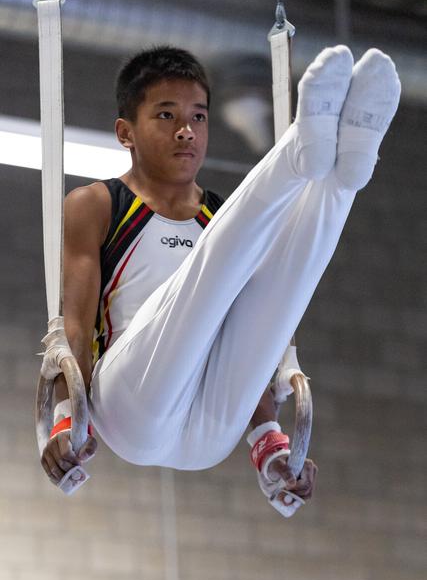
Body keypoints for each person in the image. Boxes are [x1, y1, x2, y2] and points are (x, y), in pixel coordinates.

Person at [40, 44, 400, 516]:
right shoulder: (97, 204)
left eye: (199, 117)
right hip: (134, 405)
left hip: (214, 431)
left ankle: (343, 178)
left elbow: (253, 337)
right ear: (125, 132)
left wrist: (271, 444)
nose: (186, 130)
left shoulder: (227, 219)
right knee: (208, 279)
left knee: (276, 289)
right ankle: (298, 153)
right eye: (166, 115)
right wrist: (69, 420)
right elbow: (76, 328)